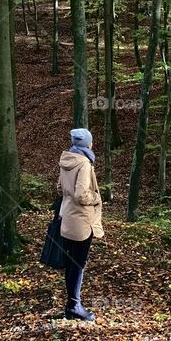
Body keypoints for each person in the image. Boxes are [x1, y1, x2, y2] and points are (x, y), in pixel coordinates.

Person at [57, 128, 103, 321]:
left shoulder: (66, 159)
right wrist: (96, 197)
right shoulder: (84, 163)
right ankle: (74, 306)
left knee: (71, 262)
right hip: (81, 221)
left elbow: (60, 188)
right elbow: (81, 194)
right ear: (88, 144)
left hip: (66, 217)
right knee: (78, 264)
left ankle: (71, 305)